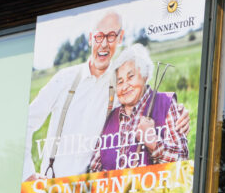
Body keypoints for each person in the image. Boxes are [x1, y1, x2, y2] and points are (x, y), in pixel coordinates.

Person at [23, 11, 189, 181]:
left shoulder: (119, 84)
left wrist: (176, 110)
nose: (103, 44)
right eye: (98, 36)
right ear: (90, 38)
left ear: (120, 38)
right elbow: (26, 121)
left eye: (110, 36)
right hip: (52, 187)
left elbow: (146, 98)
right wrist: (27, 173)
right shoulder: (64, 79)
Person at [89, 43, 189, 172]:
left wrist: (153, 142)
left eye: (130, 77)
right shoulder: (111, 116)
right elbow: (94, 169)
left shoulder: (166, 104)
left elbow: (182, 160)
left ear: (145, 76)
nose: (125, 86)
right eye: (119, 82)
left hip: (152, 191)